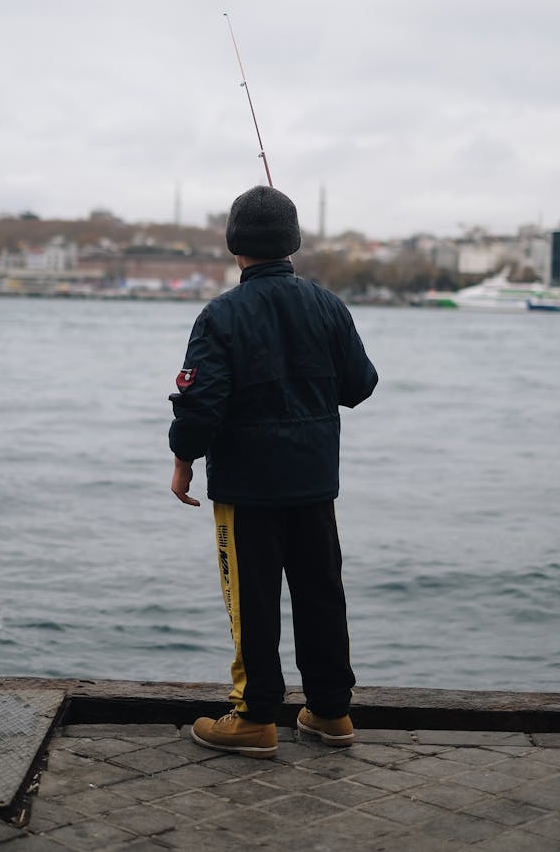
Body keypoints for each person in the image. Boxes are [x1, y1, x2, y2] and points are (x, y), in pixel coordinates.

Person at [168, 185, 378, 758]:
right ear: (293, 243)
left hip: (247, 488)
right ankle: (332, 712)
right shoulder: (327, 305)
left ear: (237, 246)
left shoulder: (220, 315)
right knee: (320, 592)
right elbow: (361, 385)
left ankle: (256, 716)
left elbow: (201, 402)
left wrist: (183, 458)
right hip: (314, 481)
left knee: (252, 599)